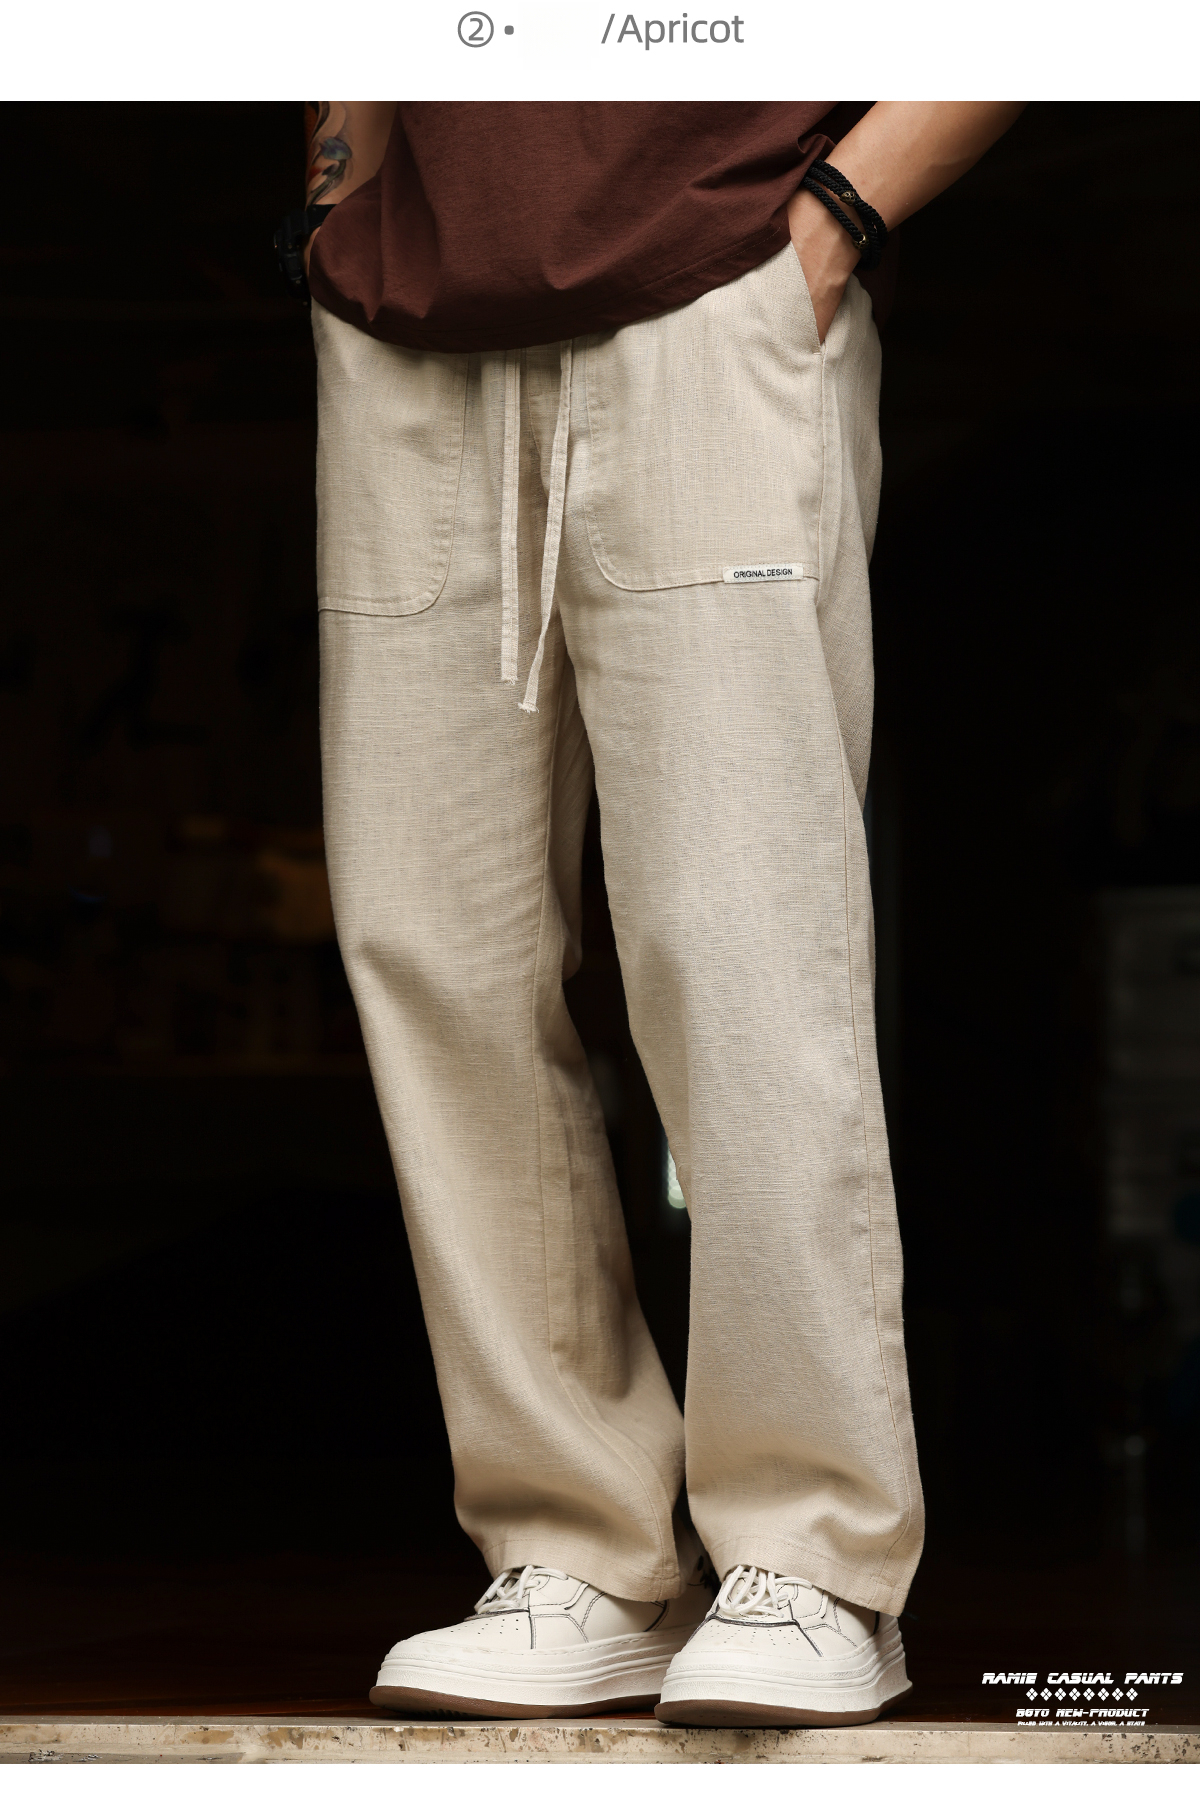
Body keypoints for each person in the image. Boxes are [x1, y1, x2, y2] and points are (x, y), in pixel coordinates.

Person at [287, 99, 1023, 1728]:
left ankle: (812, 1554)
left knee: (739, 943)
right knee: (435, 949)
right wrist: (340, 194)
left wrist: (837, 219)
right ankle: (575, 1552)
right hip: (405, 322)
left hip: (718, 283)